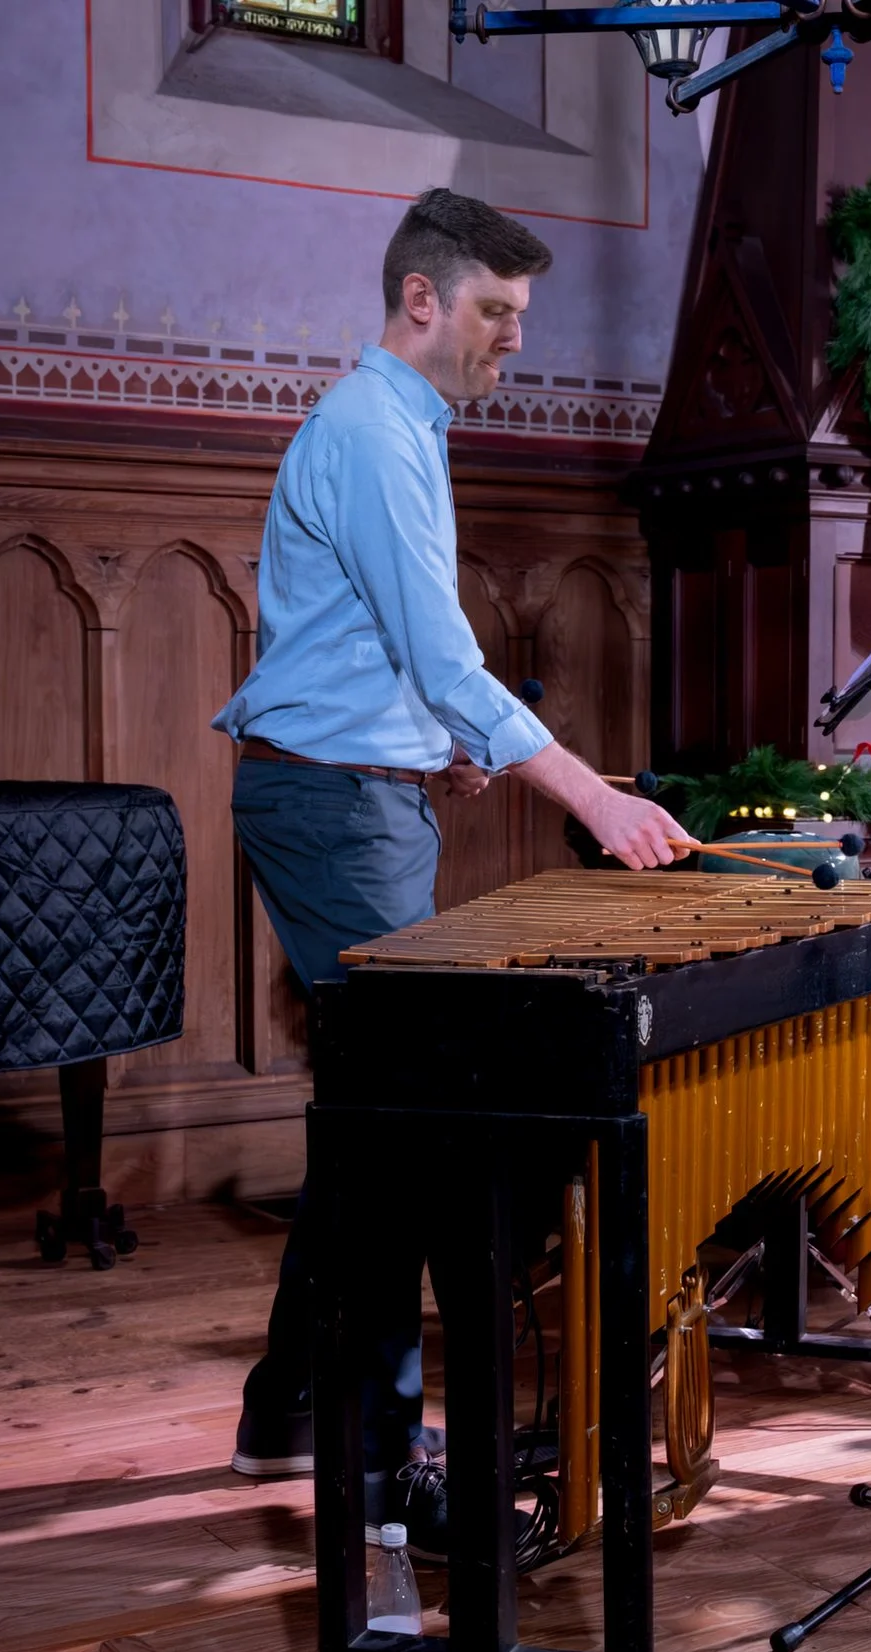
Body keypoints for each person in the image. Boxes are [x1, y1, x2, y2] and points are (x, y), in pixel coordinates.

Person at [211, 189, 688, 1508]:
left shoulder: (398, 426)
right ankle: (380, 1466)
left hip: (365, 791)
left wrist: (436, 744)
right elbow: (441, 650)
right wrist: (588, 796)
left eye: (519, 317)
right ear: (421, 299)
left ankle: (289, 1411)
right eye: (496, 311)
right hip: (333, 808)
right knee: (412, 1129)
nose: (510, 340)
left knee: (368, 1117)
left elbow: (370, 647)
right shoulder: (372, 427)